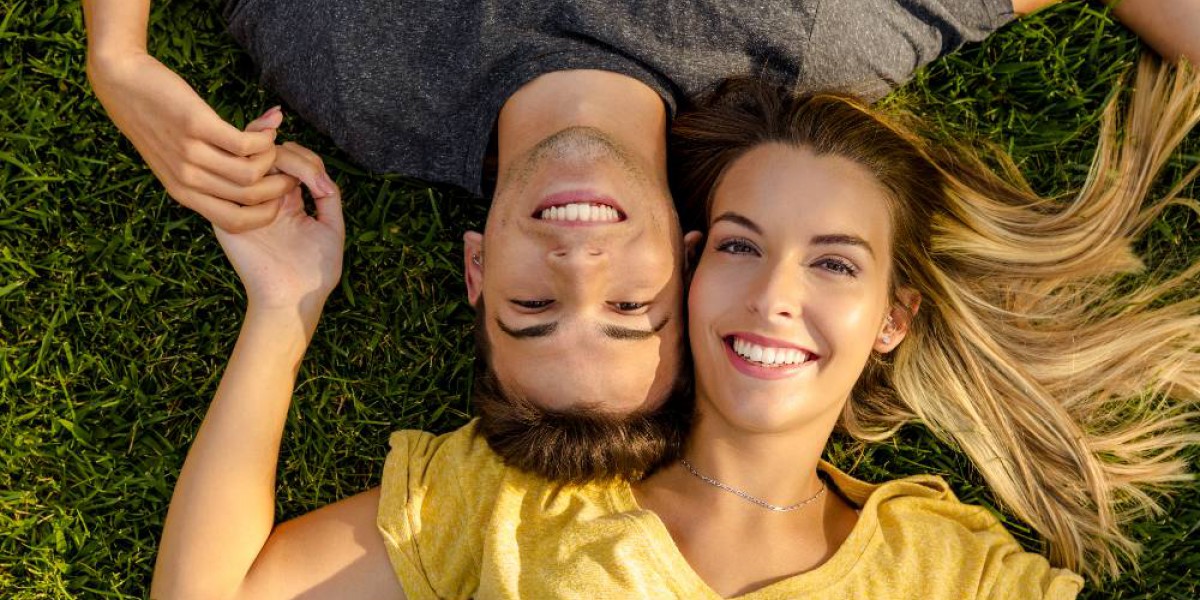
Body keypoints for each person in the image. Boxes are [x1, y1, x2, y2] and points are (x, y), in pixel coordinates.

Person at [150, 56, 1199, 597]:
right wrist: (282, 311)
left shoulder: (955, 573)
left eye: (834, 264)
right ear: (692, 272)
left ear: (893, 319)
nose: (774, 294)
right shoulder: (522, 507)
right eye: (740, 245)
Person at [82, 1, 1200, 441]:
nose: (578, 261)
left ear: (477, 269)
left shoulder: (359, 84)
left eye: (532, 306)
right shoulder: (814, 39)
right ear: (695, 253)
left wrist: (118, 55)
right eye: (630, 306)